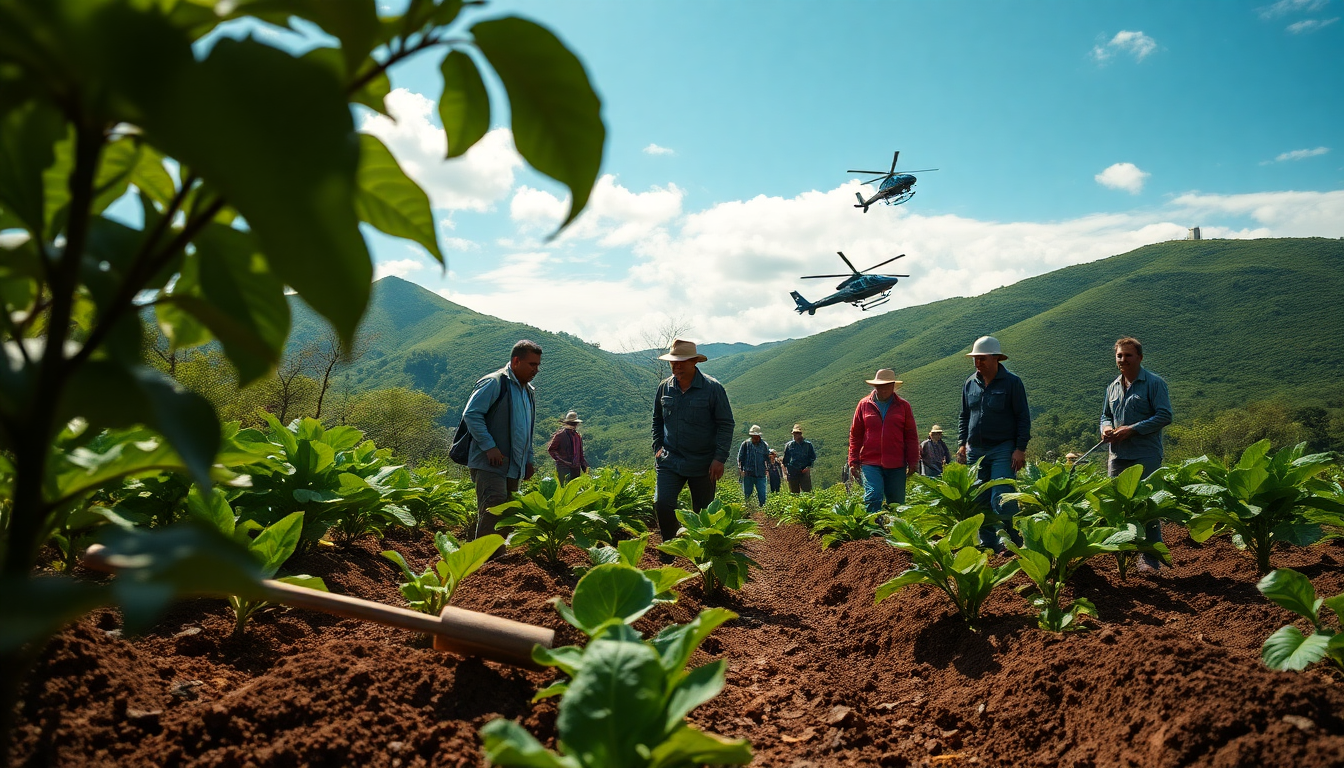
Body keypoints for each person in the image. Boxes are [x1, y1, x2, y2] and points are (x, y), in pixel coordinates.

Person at [651, 339, 735, 554]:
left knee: (703, 513)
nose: (676, 366)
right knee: (662, 504)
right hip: (670, 459)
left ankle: (702, 557)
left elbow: (725, 424)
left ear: (694, 362)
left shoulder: (712, 388)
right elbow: (657, 420)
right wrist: (658, 446)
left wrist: (719, 458)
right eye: (673, 362)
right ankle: (671, 550)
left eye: (681, 362)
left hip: (703, 462)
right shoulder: (664, 387)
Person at [1101, 336, 1173, 572]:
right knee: (1118, 505)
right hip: (1117, 456)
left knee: (1147, 506)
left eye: (1128, 355)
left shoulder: (1154, 383)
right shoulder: (1112, 387)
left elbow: (1164, 416)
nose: (1123, 360)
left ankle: (1151, 559)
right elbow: (1105, 416)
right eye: (1119, 356)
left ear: (1140, 358)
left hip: (1145, 455)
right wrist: (1106, 429)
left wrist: (1132, 430)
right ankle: (1126, 556)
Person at [957, 335, 1031, 551]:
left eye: (982, 359)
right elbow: (964, 415)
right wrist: (962, 444)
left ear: (996, 358)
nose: (978, 363)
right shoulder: (970, 383)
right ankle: (988, 543)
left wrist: (1020, 448)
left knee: (1002, 495)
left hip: (1003, 448)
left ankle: (1009, 540)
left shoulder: (1012, 383)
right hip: (975, 450)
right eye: (975, 359)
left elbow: (1022, 416)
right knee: (978, 498)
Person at [462, 339, 540, 542]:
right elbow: (472, 414)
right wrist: (490, 446)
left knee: (508, 515)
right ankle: (483, 564)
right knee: (493, 509)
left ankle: (495, 561)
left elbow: (527, 429)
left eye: (538, 365)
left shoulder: (528, 392)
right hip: (491, 464)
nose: (536, 369)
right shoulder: (494, 382)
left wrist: (528, 460)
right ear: (516, 361)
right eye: (532, 364)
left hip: (514, 466)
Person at [849, 369, 919, 513]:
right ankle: (872, 532)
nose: (884, 388)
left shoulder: (903, 406)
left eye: (887, 385)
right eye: (880, 385)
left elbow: (911, 436)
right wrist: (853, 460)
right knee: (873, 495)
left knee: (896, 503)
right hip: (870, 461)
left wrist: (913, 460)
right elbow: (856, 435)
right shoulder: (863, 405)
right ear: (875, 386)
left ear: (893, 386)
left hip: (896, 462)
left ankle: (893, 533)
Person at [547, 410, 589, 484]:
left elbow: (580, 454)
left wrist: (584, 466)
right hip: (563, 468)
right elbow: (551, 450)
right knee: (565, 488)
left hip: (575, 468)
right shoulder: (560, 436)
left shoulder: (577, 436)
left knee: (574, 490)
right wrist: (562, 460)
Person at [737, 425, 770, 506]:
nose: (754, 438)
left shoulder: (764, 445)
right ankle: (748, 508)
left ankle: (763, 509)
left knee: (762, 493)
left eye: (756, 436)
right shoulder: (745, 444)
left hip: (760, 473)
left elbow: (767, 458)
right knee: (747, 494)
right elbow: (740, 457)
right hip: (748, 473)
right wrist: (741, 470)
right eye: (753, 436)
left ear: (759, 436)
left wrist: (768, 469)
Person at [782, 423, 817, 493]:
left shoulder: (808, 445)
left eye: (796, 433)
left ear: (800, 434)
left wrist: (808, 467)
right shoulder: (789, 445)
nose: (794, 435)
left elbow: (813, 457)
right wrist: (786, 470)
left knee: (807, 491)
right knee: (794, 493)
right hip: (793, 472)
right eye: (794, 433)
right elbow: (786, 460)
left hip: (804, 471)